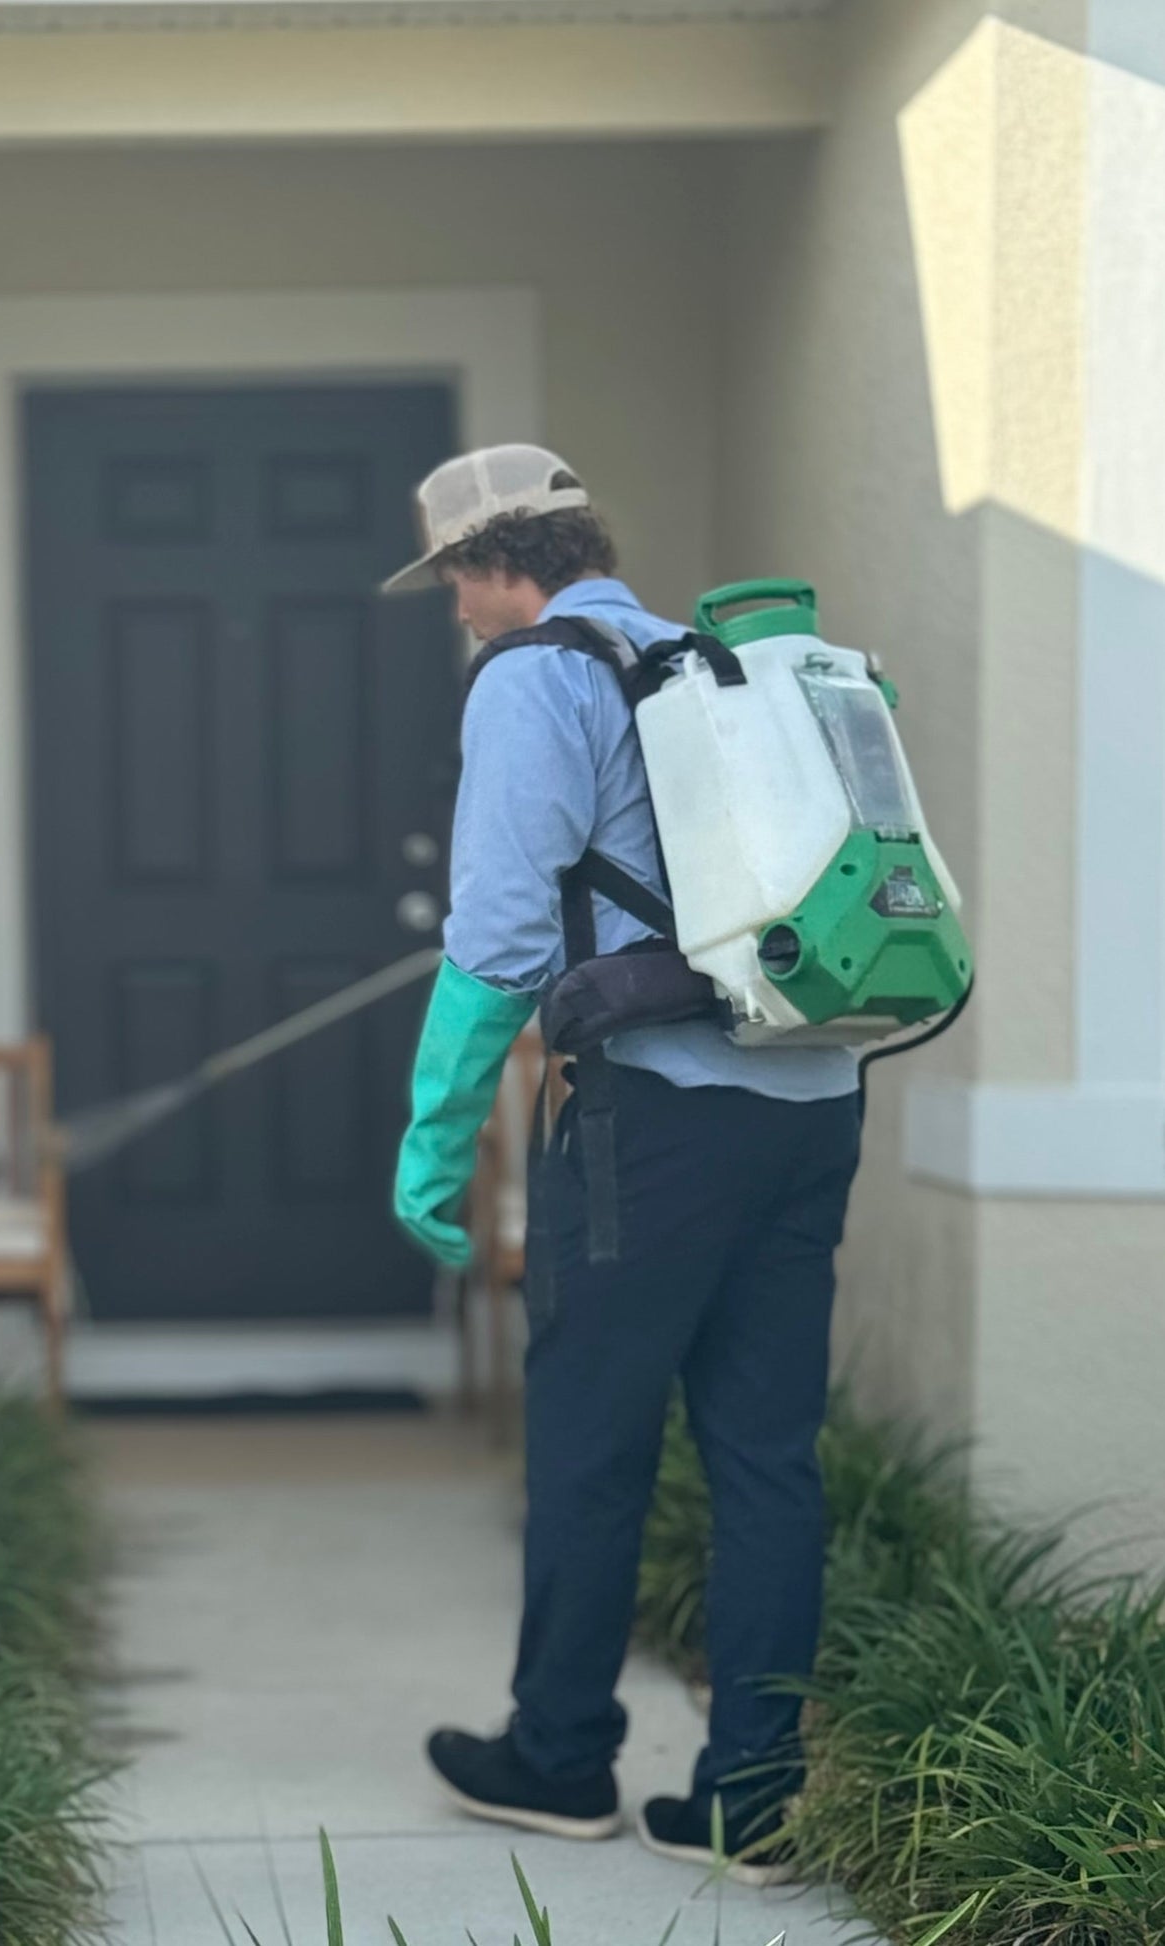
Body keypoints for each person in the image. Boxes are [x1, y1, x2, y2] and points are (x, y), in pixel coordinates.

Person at [383, 444, 862, 1881]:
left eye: (455, 584)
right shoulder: (724, 661)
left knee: (593, 1439)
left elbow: (501, 937)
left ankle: (558, 1756)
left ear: (493, 565)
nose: (457, 613)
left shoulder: (538, 675)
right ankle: (754, 1796)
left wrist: (432, 1135)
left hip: (649, 1124)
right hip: (810, 1092)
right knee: (766, 1456)